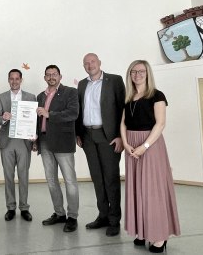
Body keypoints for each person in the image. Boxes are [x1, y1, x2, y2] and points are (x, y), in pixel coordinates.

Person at [120, 60, 180, 253]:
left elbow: (160, 124)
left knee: (152, 190)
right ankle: (142, 231)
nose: (137, 74)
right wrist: (127, 144)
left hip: (150, 145)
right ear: (130, 75)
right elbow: (123, 123)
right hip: (132, 146)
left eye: (141, 71)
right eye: (133, 71)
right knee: (137, 189)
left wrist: (144, 146)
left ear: (148, 74)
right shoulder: (128, 97)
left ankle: (159, 236)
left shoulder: (157, 95)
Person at [75, 53, 125, 237]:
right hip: (88, 136)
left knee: (111, 178)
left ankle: (114, 220)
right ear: (84, 66)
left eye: (93, 62)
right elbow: (79, 111)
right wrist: (78, 133)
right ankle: (103, 215)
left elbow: (122, 109)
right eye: (86, 63)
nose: (90, 65)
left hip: (109, 136)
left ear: (100, 63)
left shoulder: (115, 81)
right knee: (97, 178)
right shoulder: (82, 84)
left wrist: (120, 135)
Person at [36, 64, 80, 233]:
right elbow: (38, 120)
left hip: (63, 142)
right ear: (45, 77)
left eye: (54, 74)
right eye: (48, 74)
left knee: (70, 181)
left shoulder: (70, 92)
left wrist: (50, 114)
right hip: (45, 141)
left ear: (60, 76)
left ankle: (73, 216)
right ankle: (59, 213)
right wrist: (36, 138)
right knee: (51, 181)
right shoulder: (41, 96)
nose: (51, 77)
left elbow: (73, 113)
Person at [0, 69, 35, 222]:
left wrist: (34, 139)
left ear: (21, 80)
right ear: (8, 80)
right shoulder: (1, 97)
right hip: (7, 141)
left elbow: (34, 121)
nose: (14, 81)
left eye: (17, 78)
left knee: (24, 175)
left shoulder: (31, 97)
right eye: (11, 78)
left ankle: (24, 207)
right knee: (8, 176)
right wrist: (3, 118)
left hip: (24, 142)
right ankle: (10, 207)